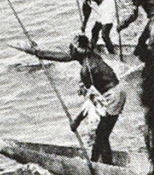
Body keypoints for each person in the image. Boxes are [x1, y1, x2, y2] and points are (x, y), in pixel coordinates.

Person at [26, 35, 126, 164]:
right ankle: (97, 161)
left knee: (102, 135)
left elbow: (91, 101)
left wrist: (76, 122)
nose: (69, 51)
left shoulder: (86, 69)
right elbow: (64, 57)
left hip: (113, 96)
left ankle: (101, 164)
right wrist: (38, 53)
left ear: (78, 52)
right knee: (102, 133)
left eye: (71, 49)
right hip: (116, 91)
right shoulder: (91, 55)